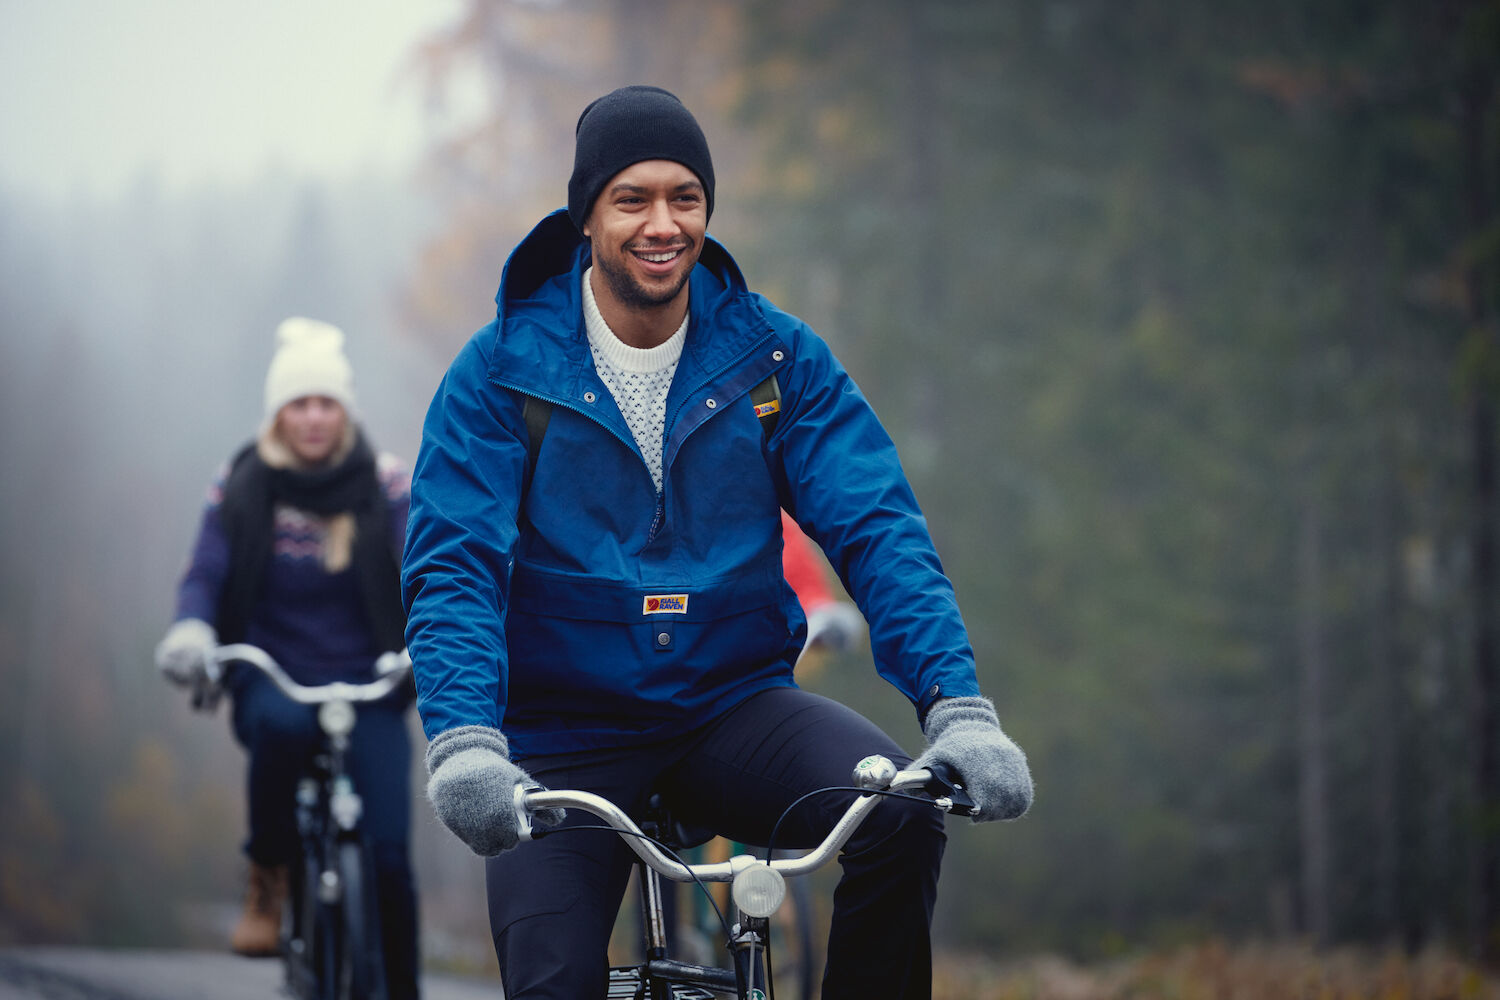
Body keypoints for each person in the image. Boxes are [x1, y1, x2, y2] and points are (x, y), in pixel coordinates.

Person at [402, 85, 1033, 1000]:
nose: (663, 223)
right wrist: (464, 738)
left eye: (685, 197)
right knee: (553, 982)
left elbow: (878, 526)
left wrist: (958, 708)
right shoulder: (499, 373)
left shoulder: (776, 358)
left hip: (733, 708)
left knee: (900, 814)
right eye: (632, 199)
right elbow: (453, 565)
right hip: (562, 738)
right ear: (586, 216)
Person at [155, 317, 421, 999]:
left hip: (370, 681)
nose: (313, 417)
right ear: (279, 412)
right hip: (273, 673)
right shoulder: (243, 484)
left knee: (390, 857)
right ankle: (269, 872)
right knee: (278, 727)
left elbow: (427, 566)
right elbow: (206, 570)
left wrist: (430, 642)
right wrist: (192, 629)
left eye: (326, 402)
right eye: (299, 403)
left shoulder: (385, 483)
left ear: (345, 410)